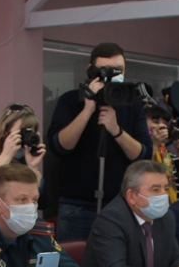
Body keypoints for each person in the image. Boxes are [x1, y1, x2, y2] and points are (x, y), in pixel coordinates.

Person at [46, 42, 153, 242]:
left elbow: (143, 154)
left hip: (119, 205)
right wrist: (87, 110)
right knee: (73, 259)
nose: (113, 76)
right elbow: (59, 146)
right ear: (91, 70)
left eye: (118, 70)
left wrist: (116, 130)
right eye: (106, 70)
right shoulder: (70, 101)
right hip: (76, 206)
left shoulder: (132, 105)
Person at [82, 161, 179, 267]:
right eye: (155, 189)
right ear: (131, 196)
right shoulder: (110, 220)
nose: (164, 195)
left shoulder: (166, 217)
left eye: (166, 188)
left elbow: (175, 256)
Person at [146, 102, 179, 203]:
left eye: (164, 123)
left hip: (172, 205)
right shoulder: (137, 151)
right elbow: (141, 172)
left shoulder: (167, 154)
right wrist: (154, 144)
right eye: (156, 122)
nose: (162, 126)